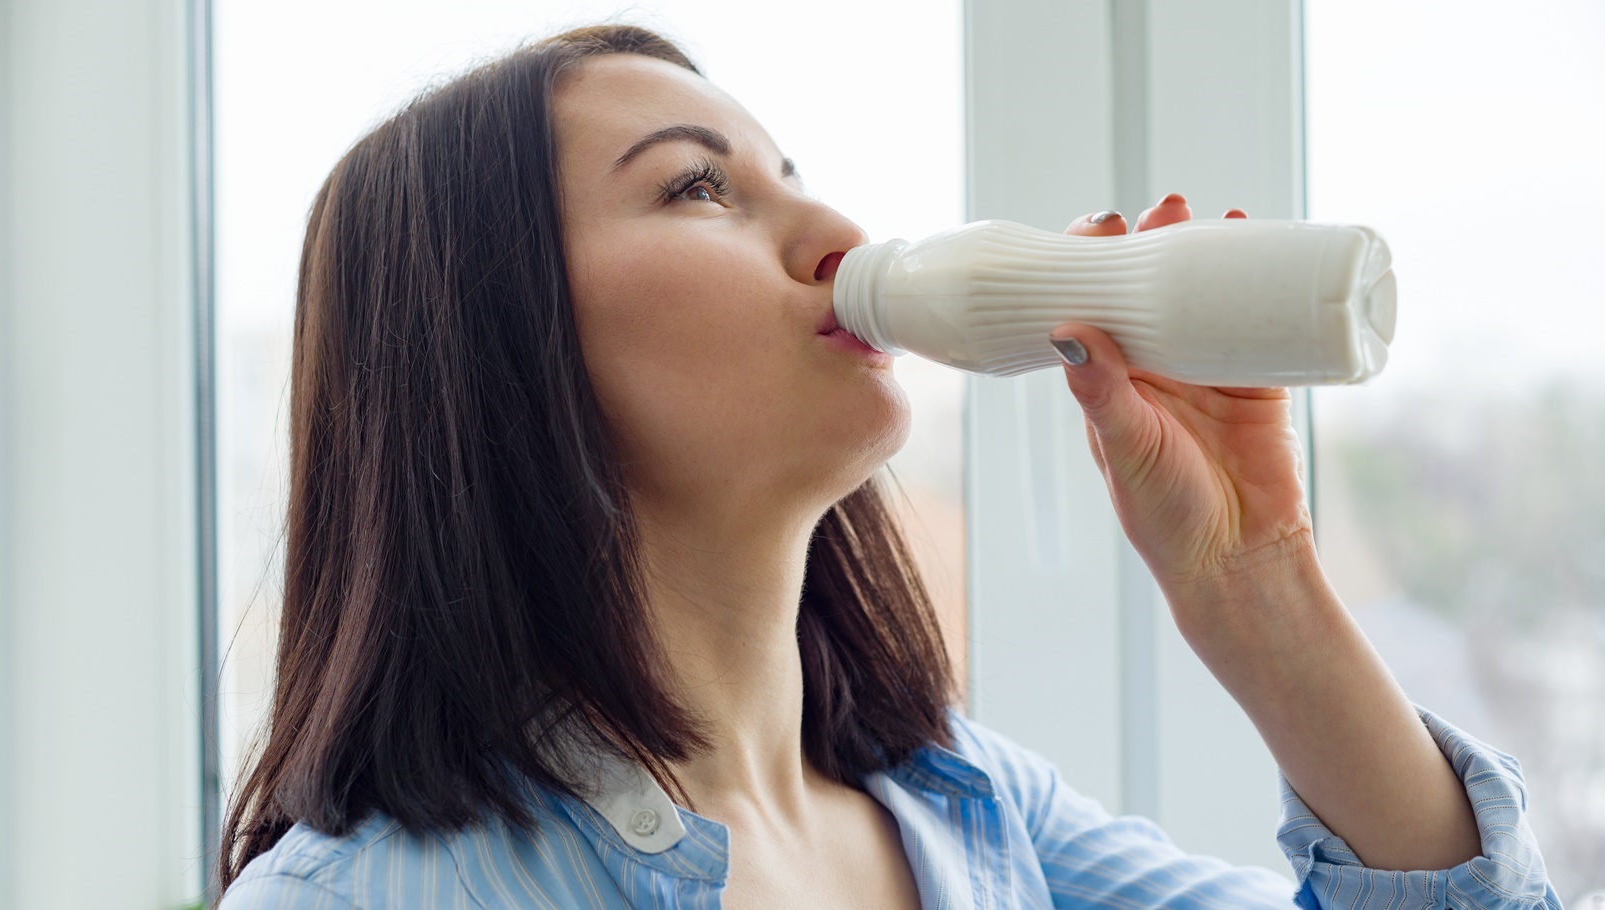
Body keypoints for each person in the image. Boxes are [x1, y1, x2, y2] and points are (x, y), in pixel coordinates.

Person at [217, 23, 1560, 910]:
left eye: (792, 173)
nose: (839, 230)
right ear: (492, 338)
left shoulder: (969, 810)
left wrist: (1258, 583)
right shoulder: (358, 896)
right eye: (696, 188)